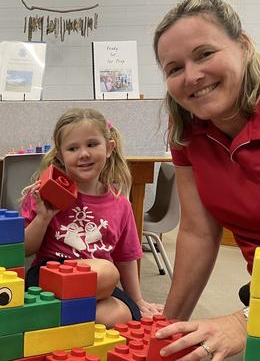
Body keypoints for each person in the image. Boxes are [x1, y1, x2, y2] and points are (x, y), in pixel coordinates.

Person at [152, 0, 260, 360]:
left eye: (204, 54)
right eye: (174, 68)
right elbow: (198, 232)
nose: (192, 76)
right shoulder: (185, 127)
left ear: (244, 45)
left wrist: (247, 321)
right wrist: (164, 334)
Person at [20, 107, 163, 328]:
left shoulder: (121, 205)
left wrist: (138, 300)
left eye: (92, 144)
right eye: (73, 148)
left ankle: (55, 319)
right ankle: (53, 315)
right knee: (107, 272)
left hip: (95, 285)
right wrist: (43, 218)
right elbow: (24, 249)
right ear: (60, 155)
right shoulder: (45, 195)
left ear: (109, 148)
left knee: (119, 316)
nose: (84, 154)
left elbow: (126, 257)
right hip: (49, 277)